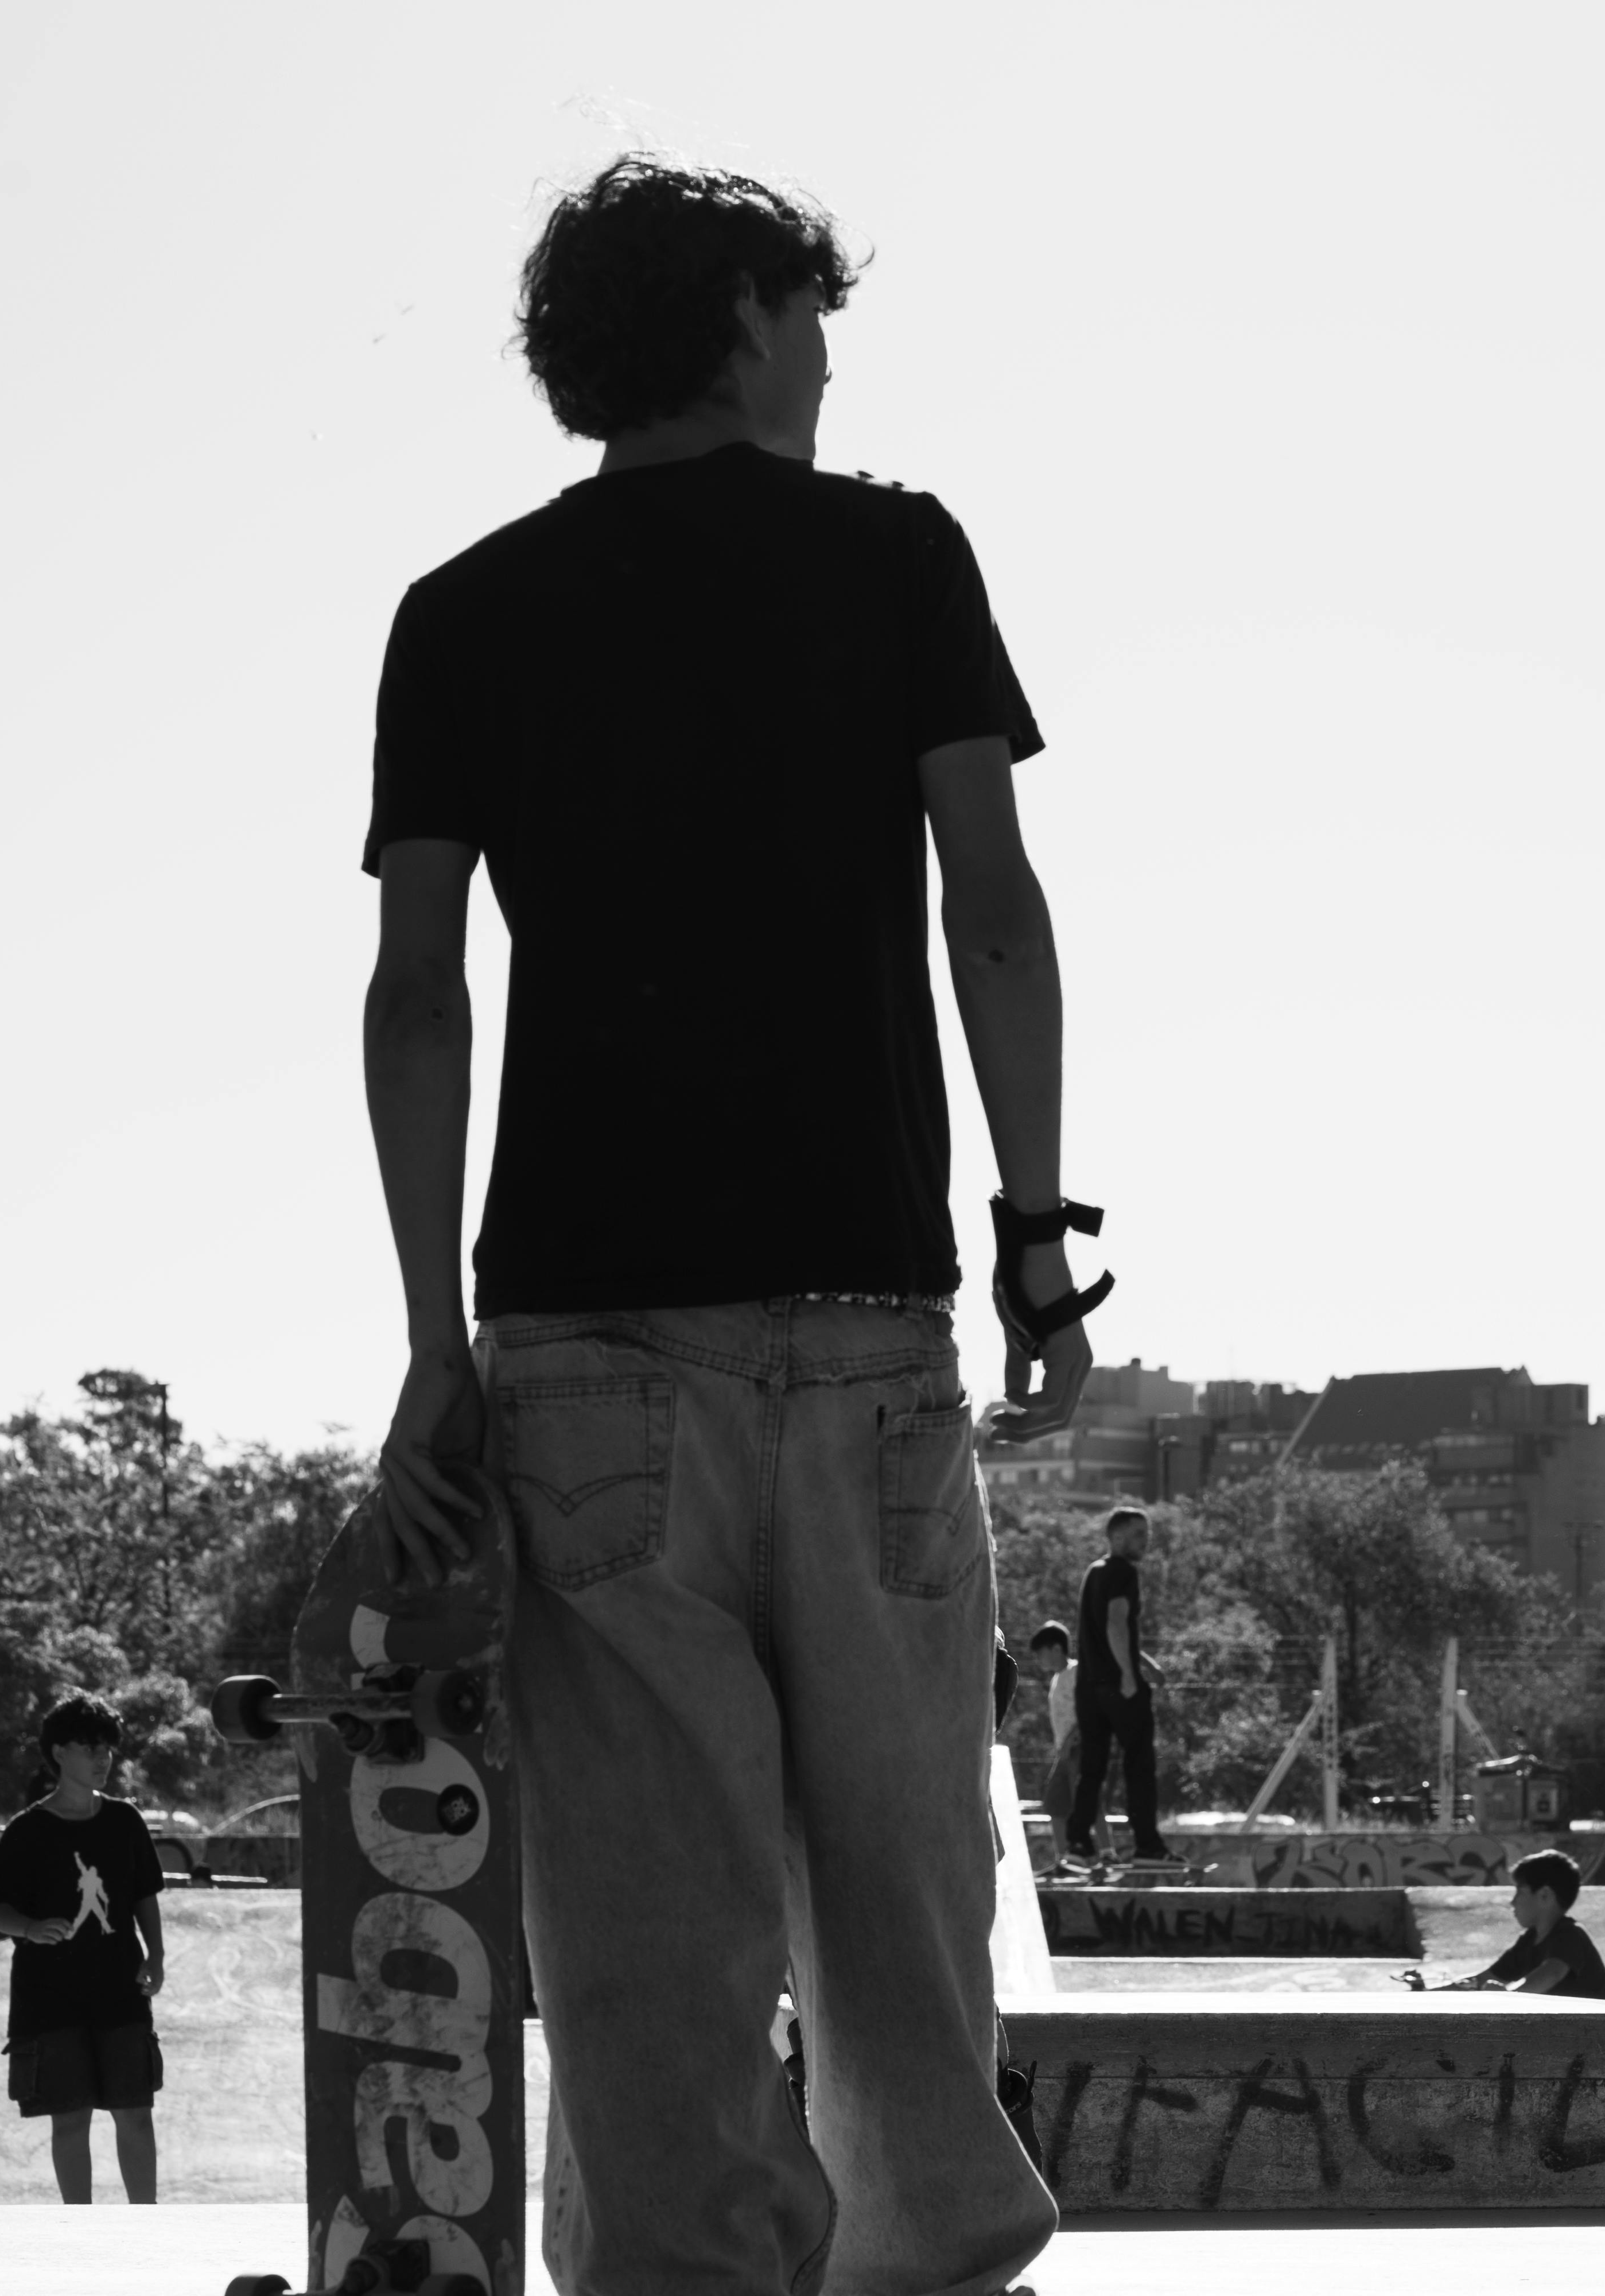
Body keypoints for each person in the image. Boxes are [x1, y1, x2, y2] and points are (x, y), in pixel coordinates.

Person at [356, 155, 1103, 2296]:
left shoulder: (465, 610)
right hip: (861, 1329)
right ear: (745, 321)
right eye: (814, 313)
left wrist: (433, 1338)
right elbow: (998, 902)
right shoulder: (893, 555)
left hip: (578, 1342)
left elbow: (423, 992)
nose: (833, 355)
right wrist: (1036, 1230)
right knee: (901, 1915)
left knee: (649, 1946)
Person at [0, 1694, 165, 2204]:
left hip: (120, 1989)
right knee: (71, 2119)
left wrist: (156, 1955)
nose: (103, 1757)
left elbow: (144, 1894)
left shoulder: (125, 1822)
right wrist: (29, 1928)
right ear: (58, 1753)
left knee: (134, 2113)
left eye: (108, 1748)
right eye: (89, 1747)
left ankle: (149, 2225)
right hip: (50, 1998)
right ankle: (80, 2228)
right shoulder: (29, 1830)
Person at [1064, 1507, 1168, 1869]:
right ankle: (1148, 1847)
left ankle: (1078, 1845)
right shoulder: (1125, 1572)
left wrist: (1144, 1663)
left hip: (1089, 1688)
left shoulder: (1094, 1571)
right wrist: (1129, 1675)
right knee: (1139, 1764)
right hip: (1118, 1688)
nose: (1146, 1541)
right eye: (1139, 1534)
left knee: (1092, 1768)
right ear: (1118, 1536)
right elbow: (1115, 1625)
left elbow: (1101, 1631)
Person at [1398, 1851, 1605, 1998]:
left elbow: (1550, 1974)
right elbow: (1481, 1980)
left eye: (1520, 1892)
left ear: (1544, 1896)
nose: (1512, 1902)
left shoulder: (1571, 1936)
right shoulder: (1529, 1942)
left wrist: (1507, 1996)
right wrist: (1427, 1993)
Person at [1028, 1622, 1081, 1827]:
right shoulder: (1057, 1678)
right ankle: (1064, 1858)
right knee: (1055, 1803)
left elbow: (1088, 1712)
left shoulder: (1076, 1672)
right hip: (1064, 1751)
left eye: (1041, 1653)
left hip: (1080, 1748)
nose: (1038, 1659)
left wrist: (1072, 1740)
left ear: (1057, 1649)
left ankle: (1106, 1852)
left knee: (1087, 1802)